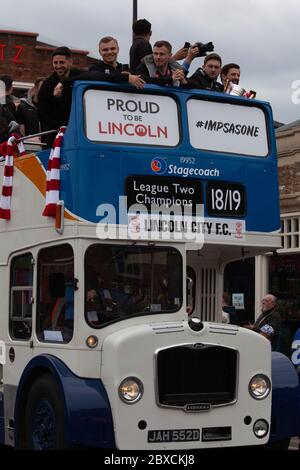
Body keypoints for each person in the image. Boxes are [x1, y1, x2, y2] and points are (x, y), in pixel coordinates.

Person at [37, 46, 82, 148]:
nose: (58, 66)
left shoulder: (79, 76)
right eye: (55, 63)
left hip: (79, 132)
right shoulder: (47, 84)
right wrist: (62, 128)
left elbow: (91, 75)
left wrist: (63, 83)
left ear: (70, 62)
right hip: (56, 135)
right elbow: (42, 114)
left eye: (62, 62)